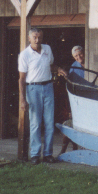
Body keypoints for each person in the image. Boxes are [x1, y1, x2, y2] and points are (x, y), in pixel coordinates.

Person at [18, 28, 67, 164]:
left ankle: (48, 154)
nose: (37, 40)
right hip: (33, 88)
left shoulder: (47, 49)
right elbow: (21, 79)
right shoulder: (24, 55)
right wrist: (22, 99)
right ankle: (35, 154)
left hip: (48, 87)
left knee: (49, 122)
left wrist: (58, 69)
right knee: (35, 123)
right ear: (29, 38)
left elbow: (50, 66)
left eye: (39, 37)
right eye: (34, 37)